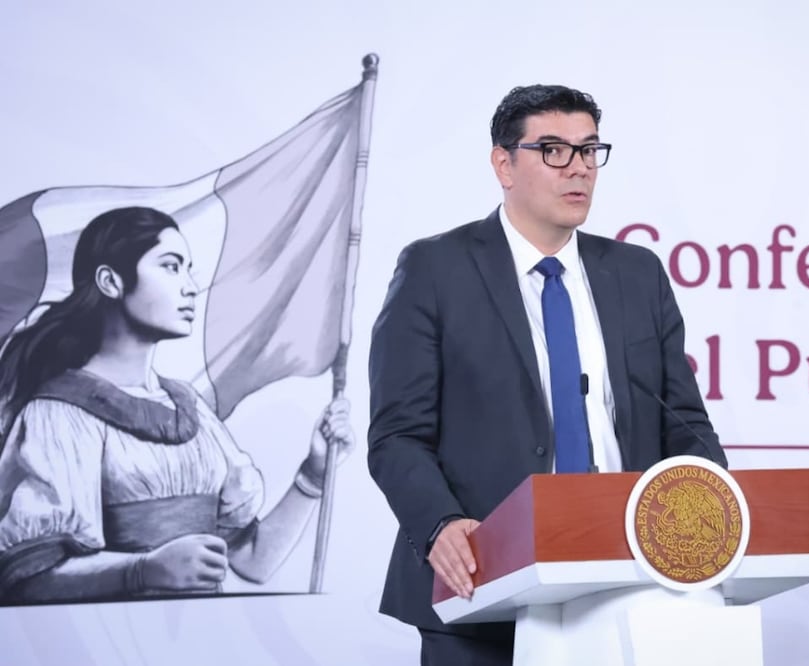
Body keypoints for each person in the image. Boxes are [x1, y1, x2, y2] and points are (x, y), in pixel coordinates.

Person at [367, 84, 727, 666]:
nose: (578, 168)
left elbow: (682, 420)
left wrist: (709, 504)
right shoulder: (436, 269)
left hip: (629, 582)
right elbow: (396, 435)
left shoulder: (636, 274)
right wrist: (440, 525)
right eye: (554, 150)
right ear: (503, 163)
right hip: (485, 588)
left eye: (589, 151)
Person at [0, 206, 354, 602]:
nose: (189, 286)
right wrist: (143, 570)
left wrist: (314, 474)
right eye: (170, 267)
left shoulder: (192, 411)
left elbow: (254, 561)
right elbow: (27, 579)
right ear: (110, 281)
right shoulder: (59, 414)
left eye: (188, 269)